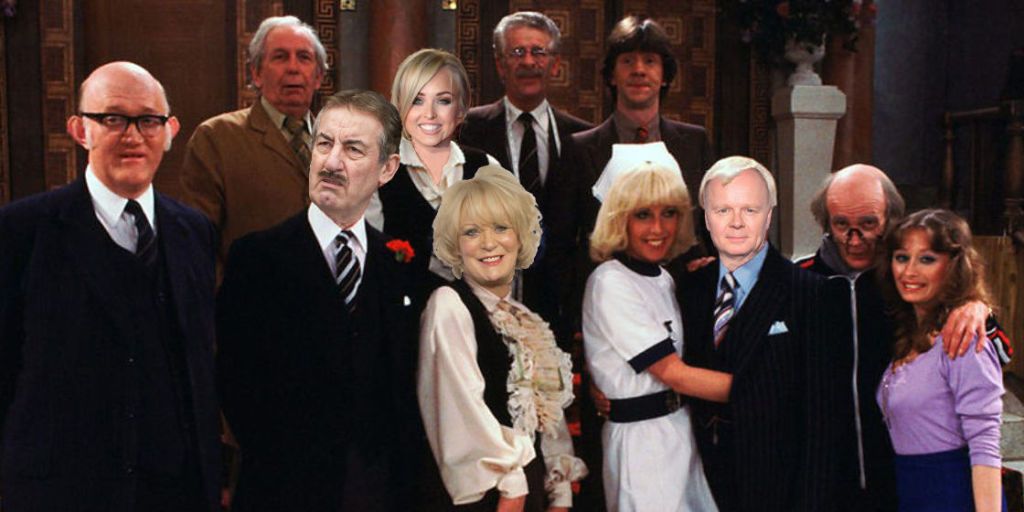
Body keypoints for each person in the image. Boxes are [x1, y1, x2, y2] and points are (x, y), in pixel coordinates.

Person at [0, 62, 221, 511]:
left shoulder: (194, 231)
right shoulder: (20, 231)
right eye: (113, 119)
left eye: (149, 120)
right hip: (61, 492)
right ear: (80, 130)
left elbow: (199, 366)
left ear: (170, 130)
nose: (133, 136)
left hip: (176, 490)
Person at [216, 89, 420, 511]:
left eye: (353, 149)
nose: (331, 162)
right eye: (324, 143)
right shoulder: (256, 258)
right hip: (282, 492)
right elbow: (234, 383)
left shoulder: (396, 265)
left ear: (387, 169)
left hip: (377, 494)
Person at [796, 163, 1013, 511]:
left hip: (900, 477)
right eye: (842, 225)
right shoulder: (798, 282)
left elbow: (995, 352)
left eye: (868, 224)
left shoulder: (905, 283)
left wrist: (977, 308)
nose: (855, 239)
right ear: (826, 222)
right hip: (824, 480)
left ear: (890, 219)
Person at [418, 166, 586, 511]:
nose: (489, 243)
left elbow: (547, 420)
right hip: (486, 496)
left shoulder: (523, 317)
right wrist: (512, 489)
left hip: (529, 490)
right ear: (454, 245)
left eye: (501, 228)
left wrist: (559, 492)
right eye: (471, 231)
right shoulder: (449, 306)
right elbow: (459, 413)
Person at [679, 156, 837, 511]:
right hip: (695, 479)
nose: (736, 222)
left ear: (768, 215)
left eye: (749, 209)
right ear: (706, 218)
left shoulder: (811, 293)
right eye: (722, 210)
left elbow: (822, 421)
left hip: (776, 489)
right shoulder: (689, 287)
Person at [583, 158, 731, 511]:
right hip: (641, 445)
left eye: (669, 213)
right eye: (643, 215)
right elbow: (673, 373)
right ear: (620, 219)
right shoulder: (610, 281)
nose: (658, 228)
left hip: (680, 433)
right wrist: (764, 390)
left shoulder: (664, 279)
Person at [458, 10, 593, 338]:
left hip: (557, 307)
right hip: (482, 298)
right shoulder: (467, 131)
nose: (528, 61)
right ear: (500, 64)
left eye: (538, 52)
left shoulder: (582, 138)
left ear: (555, 64)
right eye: (517, 52)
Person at [876, 209, 1005, 512]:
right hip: (912, 492)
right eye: (902, 257)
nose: (909, 272)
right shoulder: (908, 335)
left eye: (927, 259)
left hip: (954, 495)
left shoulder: (964, 339)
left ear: (954, 266)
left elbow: (985, 444)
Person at [180, 15, 327, 273]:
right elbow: (197, 242)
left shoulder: (338, 142)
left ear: (318, 77)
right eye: (280, 57)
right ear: (256, 73)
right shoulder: (217, 137)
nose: (293, 68)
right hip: (247, 295)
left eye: (304, 57)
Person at [370, 48, 498, 296]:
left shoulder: (486, 168)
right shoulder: (378, 172)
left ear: (461, 109)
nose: (429, 114)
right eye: (417, 100)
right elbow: (371, 266)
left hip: (476, 310)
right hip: (401, 311)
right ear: (399, 107)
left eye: (443, 101)